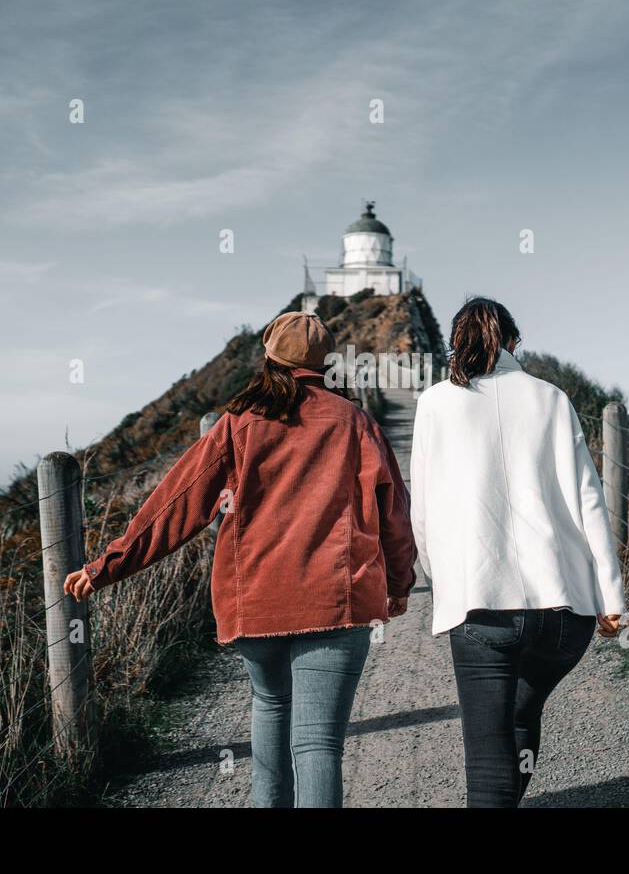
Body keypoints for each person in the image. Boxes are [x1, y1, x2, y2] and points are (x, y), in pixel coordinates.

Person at [65, 311, 416, 808]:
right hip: (335, 601)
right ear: (325, 363)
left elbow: (174, 504)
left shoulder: (238, 424)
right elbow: (393, 515)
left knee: (270, 708)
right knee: (317, 744)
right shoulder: (355, 422)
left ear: (268, 357)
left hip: (256, 600)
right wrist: (399, 584)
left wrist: (107, 566)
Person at [409, 297, 625, 807]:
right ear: (513, 343)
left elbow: (422, 510)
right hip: (564, 612)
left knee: (487, 759)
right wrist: (611, 595)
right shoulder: (551, 398)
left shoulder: (435, 403)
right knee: (522, 717)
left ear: (456, 343)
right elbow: (588, 500)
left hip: (480, 608)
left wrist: (447, 582)